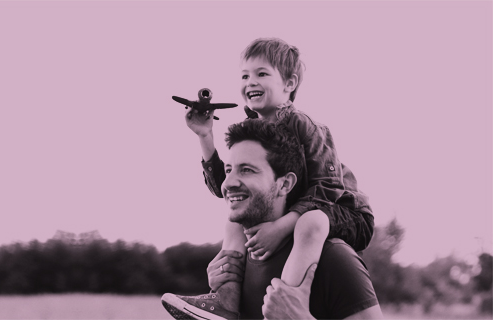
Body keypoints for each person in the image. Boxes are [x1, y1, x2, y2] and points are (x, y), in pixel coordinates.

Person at [162, 38, 375, 319]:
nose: (251, 81)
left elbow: (328, 187)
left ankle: (287, 300)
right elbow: (227, 190)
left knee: (311, 222)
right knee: (234, 219)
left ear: (289, 84)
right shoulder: (252, 128)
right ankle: (225, 301)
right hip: (297, 210)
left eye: (262, 74)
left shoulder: (306, 126)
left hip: (341, 211)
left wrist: (283, 226)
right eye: (245, 75)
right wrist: (205, 137)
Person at [162, 120, 382, 319]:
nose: (228, 183)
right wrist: (223, 293)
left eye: (247, 170)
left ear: (285, 184)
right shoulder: (235, 267)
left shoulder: (333, 258)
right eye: (228, 170)